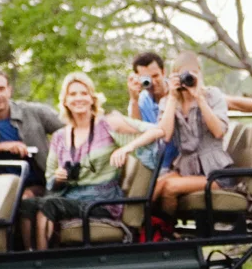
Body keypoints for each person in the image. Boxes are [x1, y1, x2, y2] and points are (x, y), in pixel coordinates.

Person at [17, 72, 163, 250]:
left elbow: (157, 131)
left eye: (83, 93)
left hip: (101, 200)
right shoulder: (59, 137)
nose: (79, 98)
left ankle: (43, 263)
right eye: (73, 94)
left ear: (92, 98)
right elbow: (50, 182)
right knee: (27, 204)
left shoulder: (107, 124)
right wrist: (59, 178)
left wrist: (126, 148)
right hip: (70, 196)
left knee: (49, 204)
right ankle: (29, 257)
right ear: (65, 101)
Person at [128, 50, 252, 174]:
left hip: (185, 161)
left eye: (156, 75)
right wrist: (133, 100)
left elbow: (231, 102)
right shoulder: (143, 100)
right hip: (163, 163)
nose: (153, 82)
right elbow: (137, 129)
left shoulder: (184, 88)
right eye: (146, 78)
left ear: (164, 72)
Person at [152, 53, 240, 217]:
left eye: (192, 73)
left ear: (199, 74)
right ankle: (145, 232)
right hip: (186, 169)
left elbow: (219, 131)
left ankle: (165, 233)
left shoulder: (212, 95)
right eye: (183, 74)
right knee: (156, 185)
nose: (188, 78)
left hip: (216, 173)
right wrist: (172, 97)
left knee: (170, 187)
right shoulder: (169, 101)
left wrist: (199, 98)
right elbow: (164, 136)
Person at [0, 68, 66, 195]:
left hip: (38, 183)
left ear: (9, 90)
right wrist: (1, 147)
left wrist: (60, 158)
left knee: (23, 199)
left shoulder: (34, 112)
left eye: (1, 89)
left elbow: (73, 129)